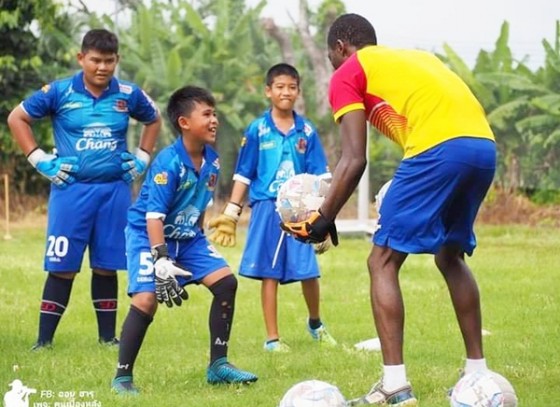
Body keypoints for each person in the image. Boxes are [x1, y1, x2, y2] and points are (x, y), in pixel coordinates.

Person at [281, 13, 496, 406]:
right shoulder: (412, 59)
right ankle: (478, 375)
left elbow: (353, 159)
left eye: (332, 58)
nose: (334, 68)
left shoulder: (350, 70)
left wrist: (321, 219)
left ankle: (395, 385)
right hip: (482, 147)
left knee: (381, 260)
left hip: (439, 149)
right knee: (450, 256)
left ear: (341, 48)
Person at [7, 29, 161, 350]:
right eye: (95, 60)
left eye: (109, 61)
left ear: (117, 60)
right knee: (62, 267)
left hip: (114, 192)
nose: (102, 67)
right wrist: (40, 160)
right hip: (70, 191)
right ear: (81, 59)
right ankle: (43, 341)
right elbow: (17, 118)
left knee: (107, 265)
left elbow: (154, 118)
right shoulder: (59, 92)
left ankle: (107, 338)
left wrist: (143, 158)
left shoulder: (129, 94)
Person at [110, 85, 258, 394]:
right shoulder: (167, 163)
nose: (215, 120)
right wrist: (161, 258)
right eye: (207, 114)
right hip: (148, 235)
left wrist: (201, 237)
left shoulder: (213, 161)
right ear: (184, 122)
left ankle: (218, 365)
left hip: (189, 238)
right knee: (146, 300)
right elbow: (154, 218)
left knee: (226, 283)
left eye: (215, 113)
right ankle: (122, 377)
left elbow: (201, 202)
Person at [207, 63, 337, 353]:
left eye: (291, 87)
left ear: (298, 92)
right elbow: (243, 174)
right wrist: (231, 211)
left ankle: (315, 323)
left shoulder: (307, 130)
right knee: (270, 272)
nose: (285, 92)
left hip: (302, 209)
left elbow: (322, 176)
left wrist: (328, 218)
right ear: (268, 91)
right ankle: (273, 339)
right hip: (267, 207)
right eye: (279, 86)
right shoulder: (257, 129)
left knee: (308, 270)